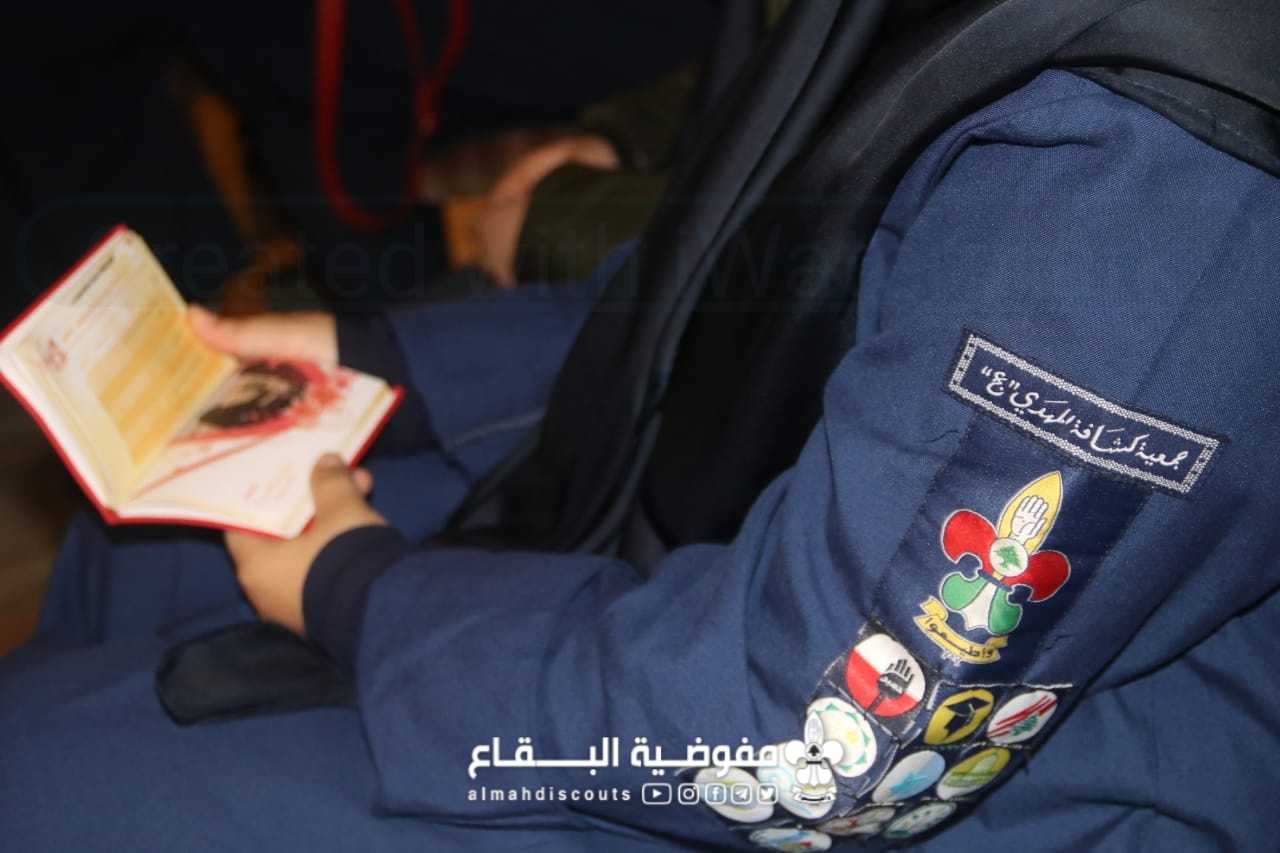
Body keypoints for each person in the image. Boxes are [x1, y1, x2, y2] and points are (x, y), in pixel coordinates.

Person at [3, 2, 1280, 851]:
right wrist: (381, 362)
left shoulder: (1163, 168)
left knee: (44, 777)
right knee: (150, 531)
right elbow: (763, 277)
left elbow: (819, 752)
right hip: (742, 531)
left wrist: (362, 595)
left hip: (929, 777)